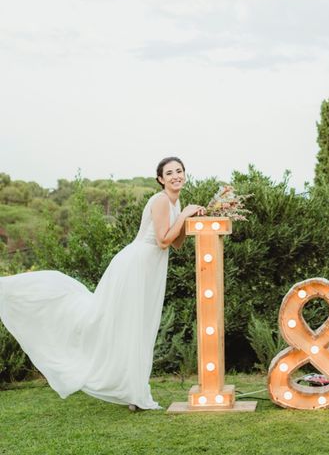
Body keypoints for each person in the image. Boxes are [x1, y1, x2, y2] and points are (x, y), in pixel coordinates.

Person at [0, 157, 205, 410]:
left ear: (185, 175)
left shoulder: (176, 202)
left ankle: (134, 391)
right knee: (122, 324)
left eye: (180, 171)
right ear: (161, 179)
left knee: (138, 327)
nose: (176, 176)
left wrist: (188, 218)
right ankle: (133, 392)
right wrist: (184, 214)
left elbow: (177, 242)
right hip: (136, 266)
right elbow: (163, 241)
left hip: (151, 269)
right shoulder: (162, 200)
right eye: (170, 172)